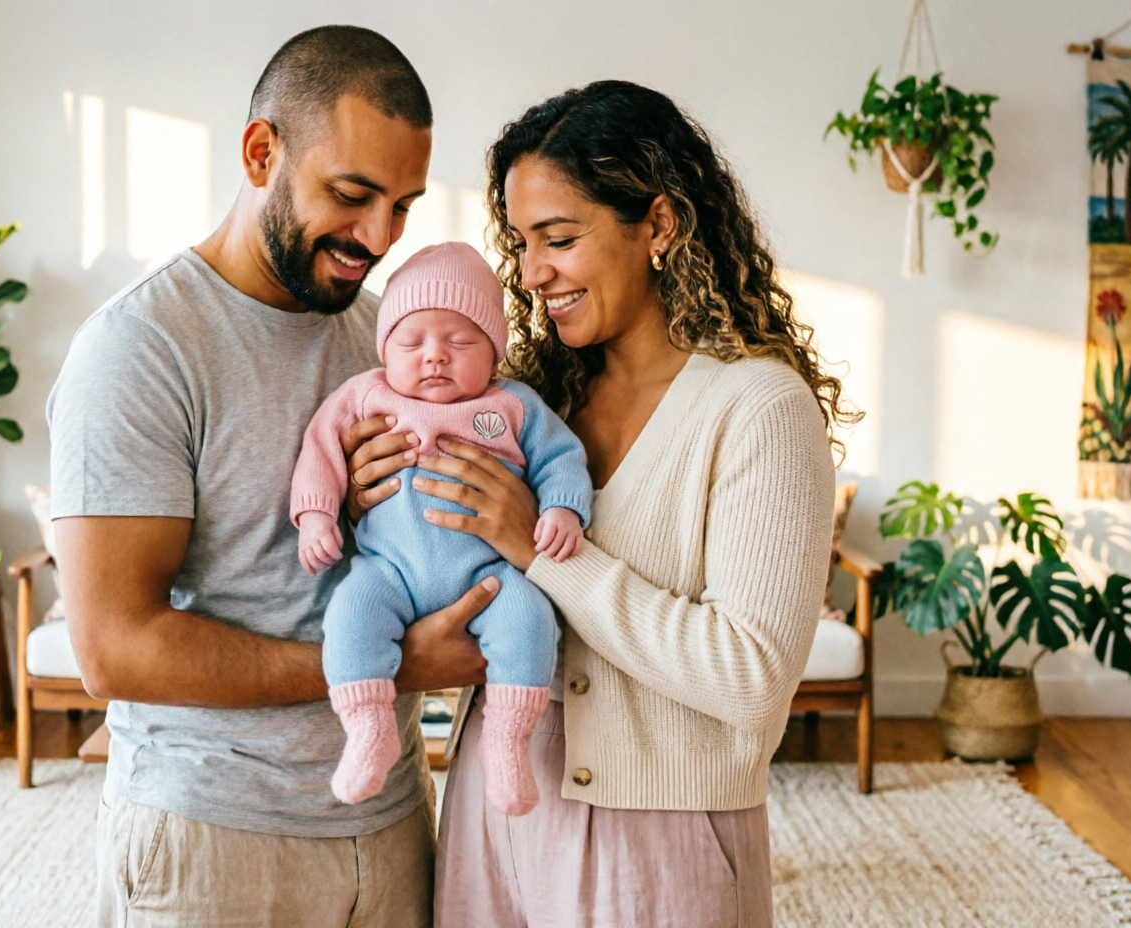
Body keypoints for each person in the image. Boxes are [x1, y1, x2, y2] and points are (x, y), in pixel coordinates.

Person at [47, 26, 489, 928]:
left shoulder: (391, 337)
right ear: (261, 153)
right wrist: (394, 667)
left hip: (392, 819)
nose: (377, 238)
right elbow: (112, 648)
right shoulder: (141, 349)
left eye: (402, 206)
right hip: (212, 840)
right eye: (352, 195)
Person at [420, 81, 849, 927]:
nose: (533, 272)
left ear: (658, 224)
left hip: (660, 837)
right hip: (491, 803)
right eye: (521, 241)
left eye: (560, 238)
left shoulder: (758, 409)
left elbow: (752, 676)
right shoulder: (529, 399)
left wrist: (544, 551)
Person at [291, 242, 592, 814]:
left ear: (494, 353)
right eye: (413, 342)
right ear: (386, 349)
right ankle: (368, 729)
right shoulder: (366, 394)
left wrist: (563, 509)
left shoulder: (513, 405)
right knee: (349, 615)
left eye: (459, 343)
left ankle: (506, 741)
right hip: (389, 571)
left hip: (492, 572)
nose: (435, 357)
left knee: (531, 622)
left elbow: (561, 459)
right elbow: (322, 449)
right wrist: (314, 516)